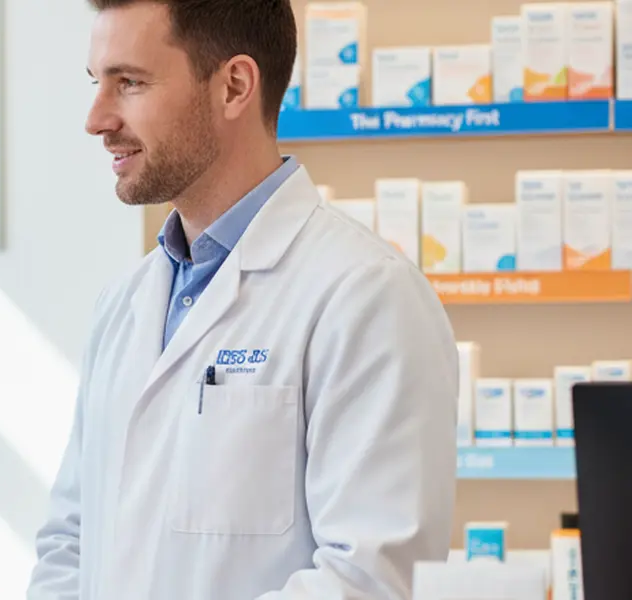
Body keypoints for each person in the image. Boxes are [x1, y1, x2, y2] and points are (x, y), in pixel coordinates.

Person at [27, 1, 458, 598]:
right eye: (97, 83)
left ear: (233, 86)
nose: (97, 119)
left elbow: (369, 579)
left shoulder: (364, 295)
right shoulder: (123, 303)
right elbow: (71, 543)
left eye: (129, 83)